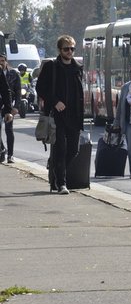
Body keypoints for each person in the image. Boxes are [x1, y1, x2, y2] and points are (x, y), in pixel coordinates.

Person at [36, 36, 83, 194]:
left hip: (74, 115)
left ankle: (54, 163)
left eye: (72, 49)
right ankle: (61, 183)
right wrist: (55, 101)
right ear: (59, 50)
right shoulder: (52, 67)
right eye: (66, 49)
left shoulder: (77, 67)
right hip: (57, 115)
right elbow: (40, 88)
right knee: (61, 149)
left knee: (73, 150)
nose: (69, 52)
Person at [0, 54, 20, 162]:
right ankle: (2, 149)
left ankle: (10, 155)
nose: (1, 63)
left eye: (3, 61)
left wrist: (16, 107)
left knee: (9, 130)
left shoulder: (13, 74)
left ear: (6, 62)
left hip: (9, 106)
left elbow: (17, 92)